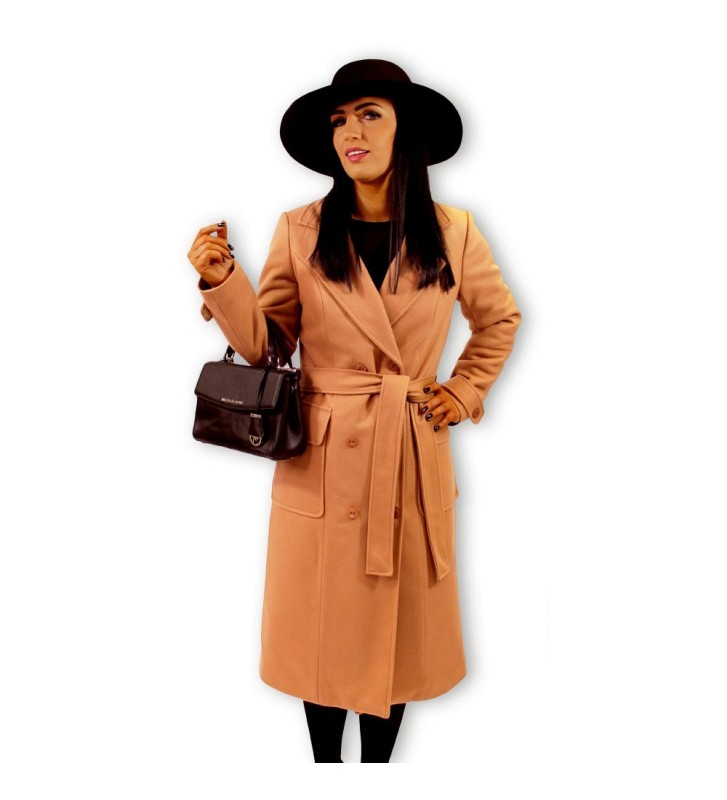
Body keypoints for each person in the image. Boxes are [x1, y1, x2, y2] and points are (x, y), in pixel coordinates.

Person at [186, 59, 521, 763]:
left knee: (392, 643)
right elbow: (268, 345)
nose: (350, 132)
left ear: (406, 130)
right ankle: (323, 770)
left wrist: (462, 391)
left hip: (407, 450)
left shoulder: (454, 231)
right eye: (339, 120)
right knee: (320, 631)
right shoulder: (299, 228)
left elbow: (498, 320)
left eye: (369, 114)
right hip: (320, 454)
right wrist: (223, 280)